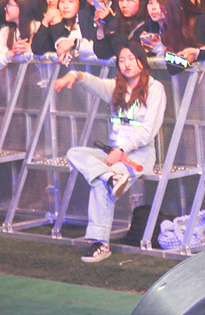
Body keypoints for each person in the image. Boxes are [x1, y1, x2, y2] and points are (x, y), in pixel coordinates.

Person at [56, 46, 167, 263]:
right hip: (112, 152)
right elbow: (94, 83)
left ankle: (101, 244)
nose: (126, 64)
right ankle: (111, 178)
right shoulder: (117, 87)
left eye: (131, 59)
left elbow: (147, 132)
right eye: (122, 60)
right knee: (75, 153)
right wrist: (75, 75)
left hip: (139, 155)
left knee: (99, 182)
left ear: (142, 62)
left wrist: (122, 150)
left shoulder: (156, 89)